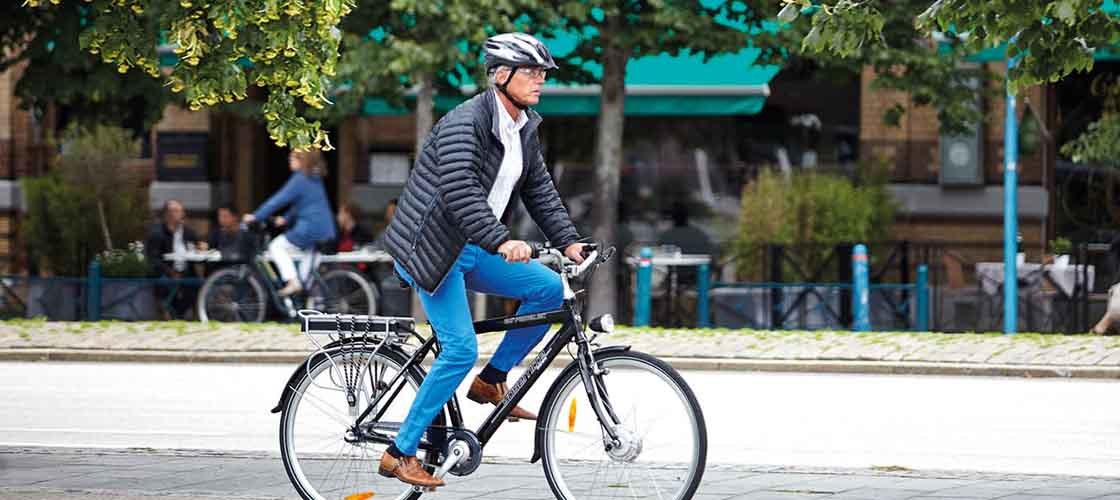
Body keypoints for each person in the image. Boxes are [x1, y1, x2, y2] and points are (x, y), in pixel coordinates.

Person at [378, 32, 586, 488]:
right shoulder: (465, 122)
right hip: (430, 248)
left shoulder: (523, 126)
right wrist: (500, 240)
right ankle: (399, 453)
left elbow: (539, 190)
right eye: (531, 72)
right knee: (459, 348)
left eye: (542, 74)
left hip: (470, 246)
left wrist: (569, 242)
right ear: (501, 75)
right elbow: (458, 192)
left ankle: (491, 381)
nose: (540, 81)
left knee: (548, 289)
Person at [243, 149, 337, 296]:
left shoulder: (300, 179)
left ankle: (291, 281)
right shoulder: (314, 177)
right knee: (305, 278)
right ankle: (307, 302)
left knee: (276, 246)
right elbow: (302, 202)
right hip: (325, 229)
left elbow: (278, 200)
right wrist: (286, 218)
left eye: (292, 158)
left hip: (309, 229)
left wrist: (256, 216)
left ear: (301, 160)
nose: (289, 160)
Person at [144, 199, 203, 318]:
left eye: (181, 211)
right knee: (164, 285)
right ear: (167, 215)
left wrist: (201, 247)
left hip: (186, 272)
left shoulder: (188, 232)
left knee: (196, 284)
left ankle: (195, 316)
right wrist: (171, 272)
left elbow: (197, 248)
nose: (181, 214)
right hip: (166, 272)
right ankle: (168, 314)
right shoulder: (157, 233)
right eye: (176, 211)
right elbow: (153, 259)